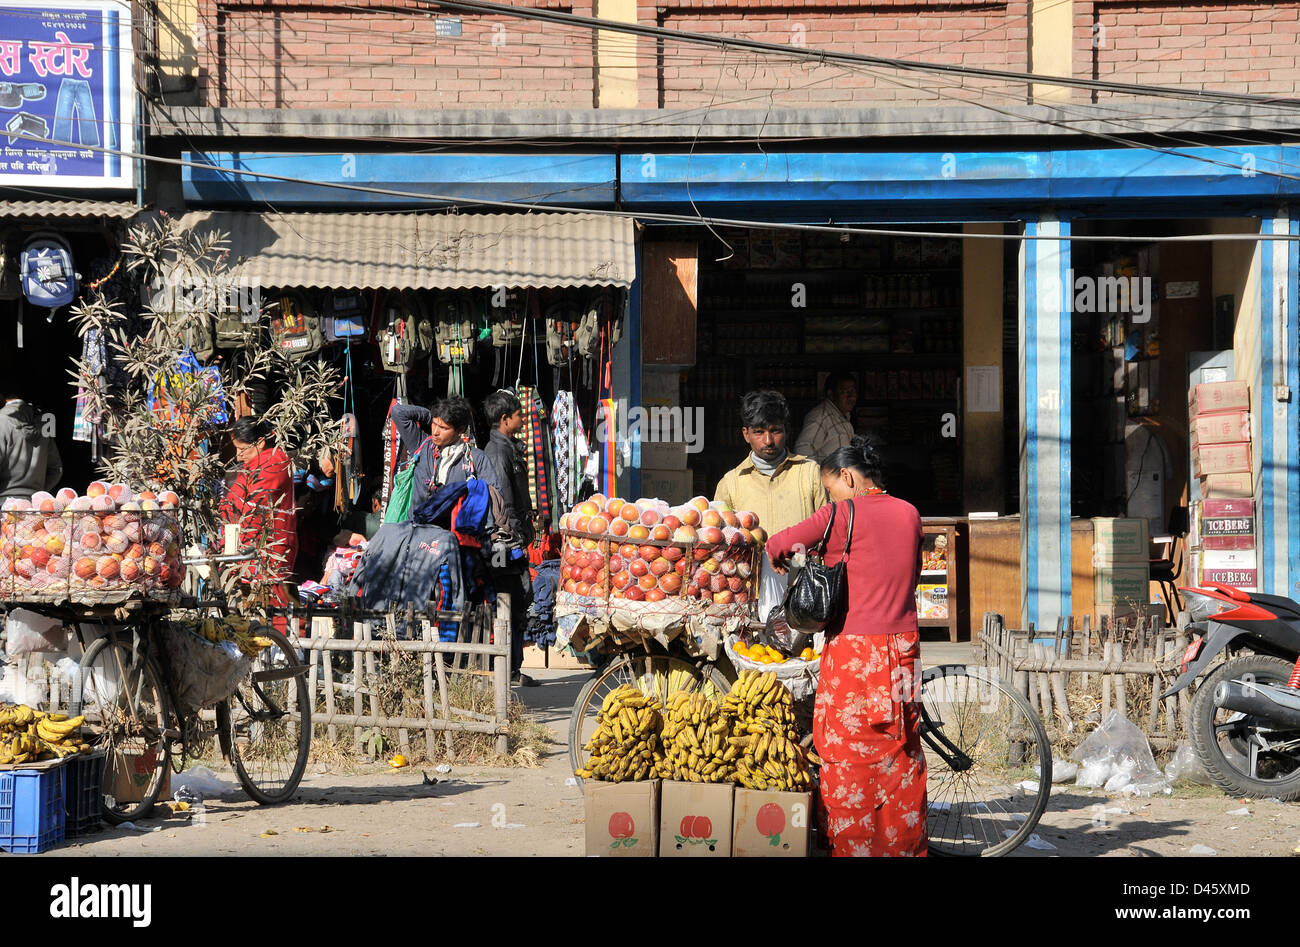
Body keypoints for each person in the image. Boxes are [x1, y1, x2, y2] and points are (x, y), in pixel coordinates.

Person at [765, 436, 927, 857]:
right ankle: (900, 845)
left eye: (829, 486)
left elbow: (779, 544)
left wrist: (801, 556)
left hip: (855, 653)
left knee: (847, 752)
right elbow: (912, 571)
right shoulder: (910, 513)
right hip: (903, 647)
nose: (828, 495)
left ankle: (855, 846)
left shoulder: (840, 513)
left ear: (848, 477)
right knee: (900, 748)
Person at [714, 390, 827, 620]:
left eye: (775, 431)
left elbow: (829, 528)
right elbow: (720, 547)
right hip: (750, 594)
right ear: (746, 434)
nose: (768, 440)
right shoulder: (731, 483)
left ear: (786, 431)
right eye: (759, 432)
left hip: (805, 589)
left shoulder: (809, 472)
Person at [482, 389, 538, 687]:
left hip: (512, 540)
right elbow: (502, 502)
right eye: (519, 416)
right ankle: (508, 669)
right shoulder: (498, 453)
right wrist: (517, 538)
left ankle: (512, 668)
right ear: (505, 420)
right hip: (504, 544)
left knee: (515, 598)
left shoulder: (508, 448)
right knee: (509, 597)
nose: (522, 420)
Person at [218, 417, 298, 624]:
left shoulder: (274, 463)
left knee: (273, 611)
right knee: (253, 612)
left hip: (268, 552)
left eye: (242, 448)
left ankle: (281, 652)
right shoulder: (260, 464)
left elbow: (242, 503)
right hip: (253, 552)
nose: (238, 455)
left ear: (260, 443)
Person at [390, 396, 500, 513]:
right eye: (434, 424)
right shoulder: (422, 445)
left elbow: (495, 495)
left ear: (460, 430)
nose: (435, 432)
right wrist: (432, 416)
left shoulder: (476, 458)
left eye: (443, 427)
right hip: (418, 528)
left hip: (454, 529)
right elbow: (397, 412)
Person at [0, 391, 61, 499]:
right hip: (34, 505)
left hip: (4, 506)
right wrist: (36, 495)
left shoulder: (2, 420)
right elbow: (56, 469)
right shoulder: (43, 423)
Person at [794, 371, 858, 462]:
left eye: (853, 391)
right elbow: (802, 448)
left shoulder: (843, 415)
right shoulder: (820, 416)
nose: (851, 396)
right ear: (831, 394)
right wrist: (816, 474)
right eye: (845, 391)